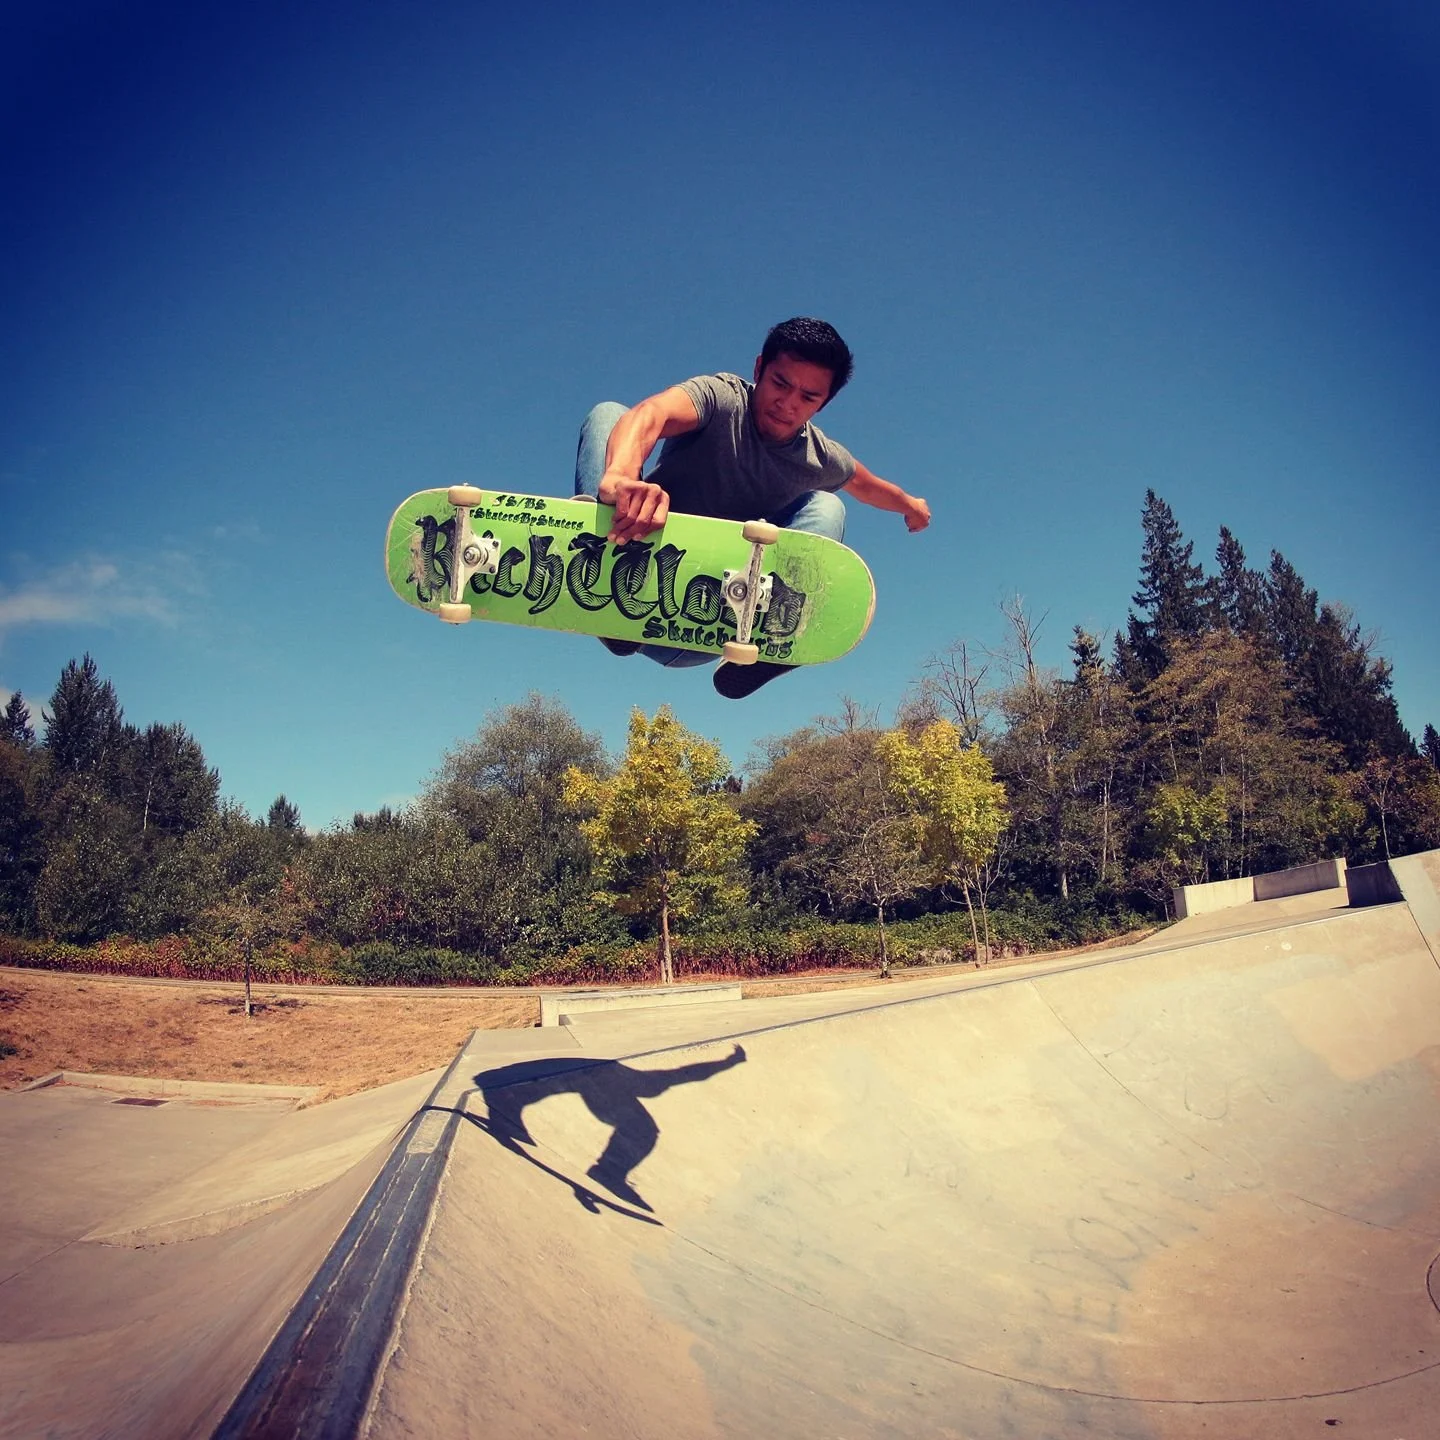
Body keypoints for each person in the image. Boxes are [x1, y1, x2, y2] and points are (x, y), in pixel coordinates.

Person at [574, 317, 930, 698]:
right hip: (638, 587)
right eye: (780, 384)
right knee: (609, 414)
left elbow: (866, 485)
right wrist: (622, 476)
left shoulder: (819, 456)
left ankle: (772, 635)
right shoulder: (721, 397)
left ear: (823, 403)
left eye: (808, 398)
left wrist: (911, 506)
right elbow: (650, 414)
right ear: (759, 368)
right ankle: (604, 564)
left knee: (829, 506)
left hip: (713, 623)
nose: (788, 404)